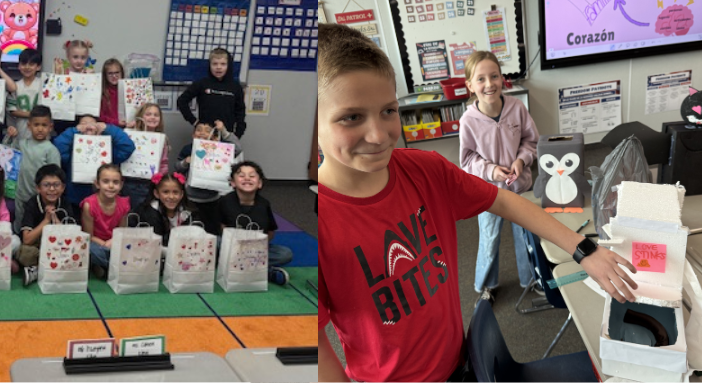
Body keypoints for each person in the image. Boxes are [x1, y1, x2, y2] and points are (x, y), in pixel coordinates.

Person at [316, 22, 640, 383]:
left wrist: (585, 250)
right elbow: (315, 348)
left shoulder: (425, 169)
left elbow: (504, 202)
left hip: (460, 362)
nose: (378, 135)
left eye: (389, 111)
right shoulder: (315, 225)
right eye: (351, 117)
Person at [458, 50, 540, 305]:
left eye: (494, 76)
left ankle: (530, 280)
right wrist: (490, 170)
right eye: (480, 79)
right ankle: (486, 285)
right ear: (470, 85)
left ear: (502, 79)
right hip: (487, 193)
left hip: (520, 187)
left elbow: (531, 140)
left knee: (526, 234)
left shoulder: (516, 107)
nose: (489, 84)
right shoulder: (468, 121)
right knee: (489, 238)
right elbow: (467, 159)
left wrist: (521, 160)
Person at [219, 160, 292, 285]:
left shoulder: (264, 204)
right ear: (232, 183)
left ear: (259, 183)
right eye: (241, 176)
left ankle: (257, 268)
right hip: (230, 247)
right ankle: (263, 270)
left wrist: (256, 247)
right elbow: (221, 226)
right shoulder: (225, 201)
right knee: (215, 244)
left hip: (255, 250)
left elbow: (270, 231)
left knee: (284, 254)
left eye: (252, 176)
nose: (247, 178)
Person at [18, 163, 80, 287]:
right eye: (46, 185)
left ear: (63, 187)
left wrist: (55, 219)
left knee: (79, 251)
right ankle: (53, 270)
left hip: (59, 246)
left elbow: (71, 238)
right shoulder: (32, 203)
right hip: (38, 246)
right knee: (24, 253)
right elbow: (27, 239)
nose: (52, 189)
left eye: (56, 185)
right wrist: (46, 220)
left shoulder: (65, 203)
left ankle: (37, 271)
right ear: (38, 188)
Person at [175, 119, 241, 235]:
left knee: (212, 229)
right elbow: (177, 167)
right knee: (189, 228)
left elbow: (237, 149)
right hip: (190, 199)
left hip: (213, 198)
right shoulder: (188, 149)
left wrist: (224, 132)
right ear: (193, 135)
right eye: (198, 130)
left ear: (214, 137)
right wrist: (185, 162)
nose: (202, 133)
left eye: (207, 131)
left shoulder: (219, 149)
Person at [55, 114, 136, 206]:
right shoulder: (72, 150)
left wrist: (108, 128)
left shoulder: (107, 150)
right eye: (84, 124)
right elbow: (58, 145)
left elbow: (128, 146)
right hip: (75, 197)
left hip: (102, 199)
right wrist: (74, 130)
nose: (88, 127)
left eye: (92, 124)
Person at [176, 46, 246, 138]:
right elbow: (181, 101)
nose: (218, 67)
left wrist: (237, 134)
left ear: (228, 66)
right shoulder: (202, 84)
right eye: (215, 64)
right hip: (205, 135)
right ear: (210, 65)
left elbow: (240, 111)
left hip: (226, 135)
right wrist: (194, 121)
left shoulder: (236, 87)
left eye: (223, 64)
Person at [5, 104, 61, 215]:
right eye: (36, 125)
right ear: (29, 126)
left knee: (37, 223)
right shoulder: (21, 144)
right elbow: (6, 154)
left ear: (50, 127)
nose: (40, 129)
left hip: (41, 198)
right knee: (20, 224)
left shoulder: (51, 150)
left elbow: (55, 177)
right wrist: (10, 136)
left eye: (44, 125)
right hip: (20, 195)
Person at [81, 162, 131, 277]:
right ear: (97, 184)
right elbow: (88, 236)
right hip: (96, 243)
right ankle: (114, 267)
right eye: (106, 181)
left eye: (115, 182)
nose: (111, 186)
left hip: (115, 242)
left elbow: (122, 231)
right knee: (90, 250)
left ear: (121, 185)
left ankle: (104, 266)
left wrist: (112, 242)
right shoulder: (89, 205)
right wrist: (104, 244)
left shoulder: (124, 204)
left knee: (131, 246)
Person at [133, 171, 196, 252]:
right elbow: (154, 244)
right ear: (156, 193)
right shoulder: (150, 213)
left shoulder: (187, 213)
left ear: (182, 194)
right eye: (166, 192)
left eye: (175, 192)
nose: (171, 196)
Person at [124, 102, 169, 211]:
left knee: (147, 215)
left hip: (151, 184)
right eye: (148, 114)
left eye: (156, 115)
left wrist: (160, 178)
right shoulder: (130, 135)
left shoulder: (162, 140)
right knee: (132, 214)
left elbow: (164, 163)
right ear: (141, 116)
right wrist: (126, 130)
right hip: (131, 181)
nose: (152, 117)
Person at [6, 47, 44, 141]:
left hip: (41, 129)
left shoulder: (44, 85)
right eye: (23, 64)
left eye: (31, 64)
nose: (27, 67)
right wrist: (33, 114)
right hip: (20, 129)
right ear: (19, 66)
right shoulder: (14, 86)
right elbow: (12, 110)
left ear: (38, 67)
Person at [98, 58, 126, 127]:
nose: (114, 76)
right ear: (105, 75)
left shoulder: (128, 90)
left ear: (122, 73)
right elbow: (100, 116)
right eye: (110, 73)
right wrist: (116, 122)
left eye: (117, 72)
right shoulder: (101, 92)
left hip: (127, 126)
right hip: (108, 127)